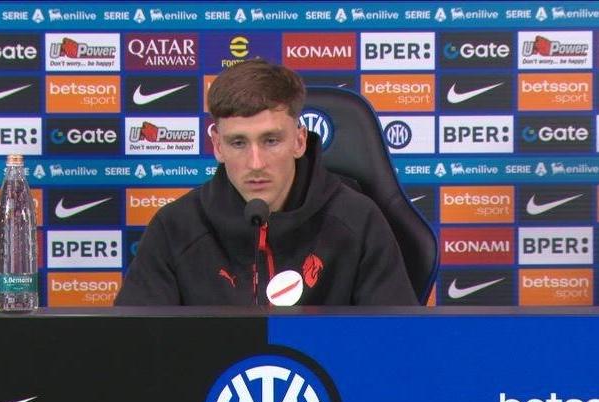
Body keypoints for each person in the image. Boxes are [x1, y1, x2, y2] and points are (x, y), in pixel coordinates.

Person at [115, 58, 417, 306]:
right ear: (217, 146)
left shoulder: (358, 220)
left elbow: (396, 345)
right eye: (238, 143)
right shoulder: (175, 227)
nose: (256, 163)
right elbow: (135, 348)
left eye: (271, 140)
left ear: (299, 141)